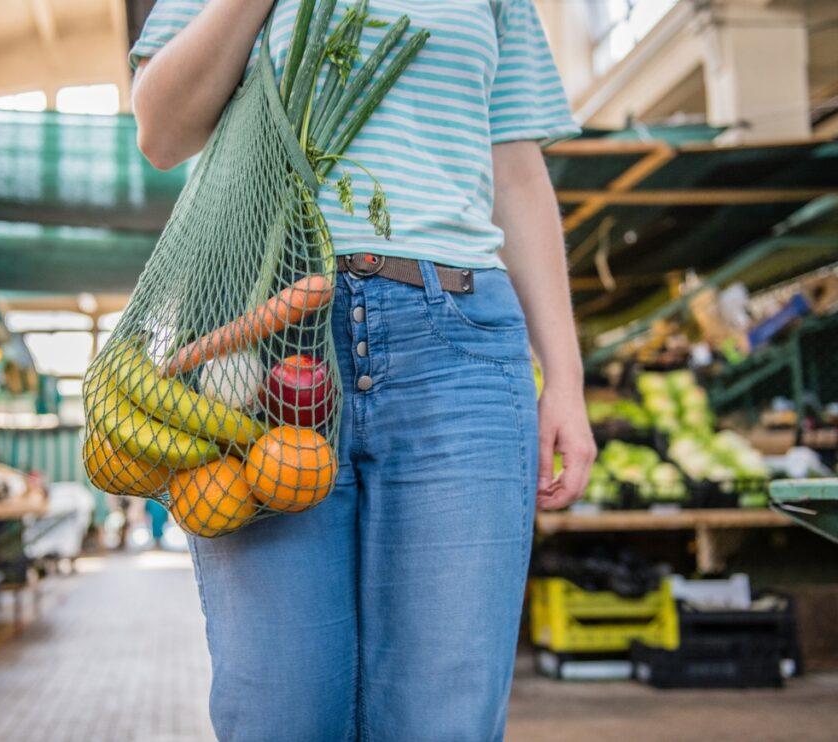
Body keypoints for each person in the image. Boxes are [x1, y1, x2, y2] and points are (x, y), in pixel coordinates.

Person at [130, 1, 595, 739]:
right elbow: (161, 132)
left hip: (458, 348)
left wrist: (565, 378)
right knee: (281, 711)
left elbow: (516, 174)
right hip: (259, 347)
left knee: (444, 716)